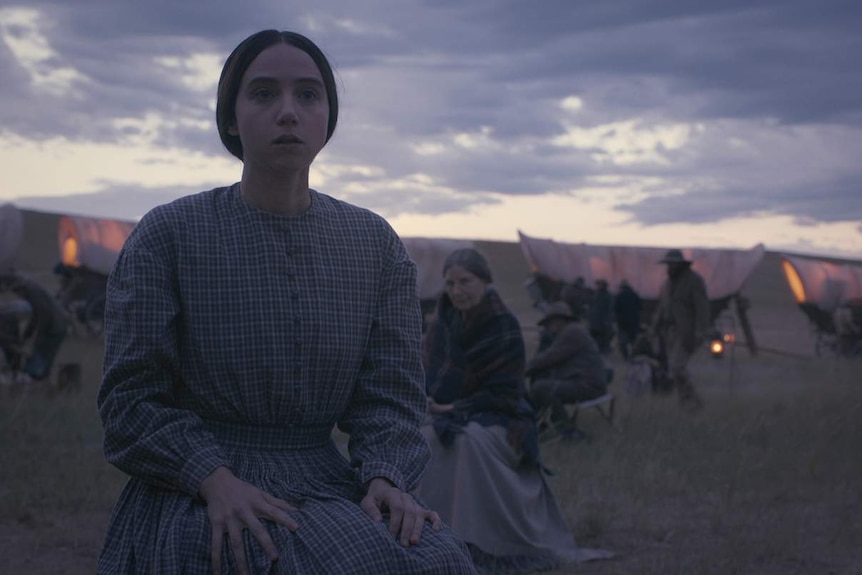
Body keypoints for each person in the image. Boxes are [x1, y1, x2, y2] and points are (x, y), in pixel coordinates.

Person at [96, 30, 475, 575]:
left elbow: (390, 396)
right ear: (230, 118)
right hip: (201, 486)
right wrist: (211, 477)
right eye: (263, 94)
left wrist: (385, 478)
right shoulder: (170, 234)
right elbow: (131, 400)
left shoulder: (373, 243)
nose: (288, 112)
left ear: (328, 117)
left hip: (326, 482)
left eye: (308, 95)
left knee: (443, 560)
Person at [418, 248, 611, 574]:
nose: (457, 291)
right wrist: (428, 402)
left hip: (501, 413)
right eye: (450, 283)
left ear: (485, 282)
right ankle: (429, 538)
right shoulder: (442, 322)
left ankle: (476, 543)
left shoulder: (502, 324)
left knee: (468, 444)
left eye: (465, 281)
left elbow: (506, 392)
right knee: (423, 439)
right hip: (446, 408)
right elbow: (429, 373)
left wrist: (454, 407)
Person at [526, 301, 608, 438]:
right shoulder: (571, 330)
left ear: (558, 320)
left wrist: (525, 367)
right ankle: (533, 426)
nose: (547, 328)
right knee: (539, 384)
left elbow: (550, 357)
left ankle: (568, 431)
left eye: (548, 323)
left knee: (541, 388)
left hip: (588, 385)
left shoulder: (572, 332)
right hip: (586, 382)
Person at [650, 249, 710, 411]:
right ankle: (685, 403)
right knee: (674, 369)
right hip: (670, 332)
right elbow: (662, 307)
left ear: (680, 264)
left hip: (686, 332)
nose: (669, 267)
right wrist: (654, 328)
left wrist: (700, 331)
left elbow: (702, 308)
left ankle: (695, 402)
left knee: (677, 368)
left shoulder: (694, 281)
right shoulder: (668, 283)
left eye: (672, 263)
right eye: (668, 264)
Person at [0, 271, 68, 383]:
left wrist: (37, 335)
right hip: (54, 322)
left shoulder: (31, 292)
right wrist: (28, 333)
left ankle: (34, 378)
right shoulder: (31, 289)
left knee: (42, 351)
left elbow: (43, 314)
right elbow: (36, 315)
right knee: (42, 351)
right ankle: (37, 378)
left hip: (56, 324)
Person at [614, 279, 642, 359]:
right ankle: (634, 356)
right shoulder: (635, 295)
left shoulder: (619, 296)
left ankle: (626, 356)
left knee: (622, 342)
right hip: (634, 322)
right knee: (634, 341)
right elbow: (640, 307)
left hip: (622, 323)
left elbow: (616, 309)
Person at [588, 279, 614, 354]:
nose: (599, 286)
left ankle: (602, 351)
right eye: (599, 284)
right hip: (595, 321)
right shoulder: (596, 294)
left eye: (601, 284)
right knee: (594, 337)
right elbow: (592, 306)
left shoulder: (608, 296)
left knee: (602, 338)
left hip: (602, 322)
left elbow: (609, 310)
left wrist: (607, 321)